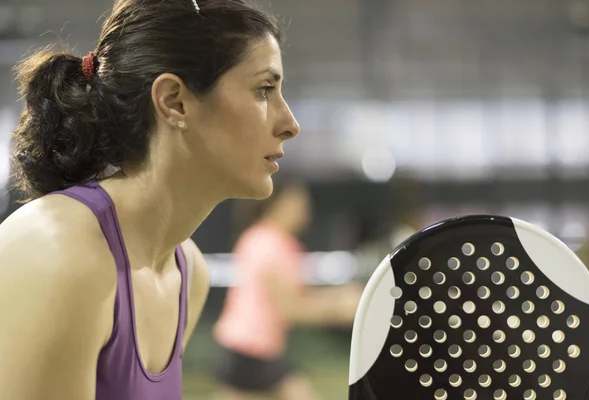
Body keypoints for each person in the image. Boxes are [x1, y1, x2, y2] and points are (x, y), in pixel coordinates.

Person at [0, 0, 300, 399]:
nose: (289, 124)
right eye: (264, 89)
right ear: (174, 101)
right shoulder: (61, 252)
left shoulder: (188, 273)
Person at [212, 181, 364, 400]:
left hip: (250, 349)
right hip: (251, 350)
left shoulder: (262, 238)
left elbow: (297, 298)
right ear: (279, 203)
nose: (306, 209)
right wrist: (340, 309)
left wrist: (339, 297)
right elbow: (291, 309)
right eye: (299, 202)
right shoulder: (269, 243)